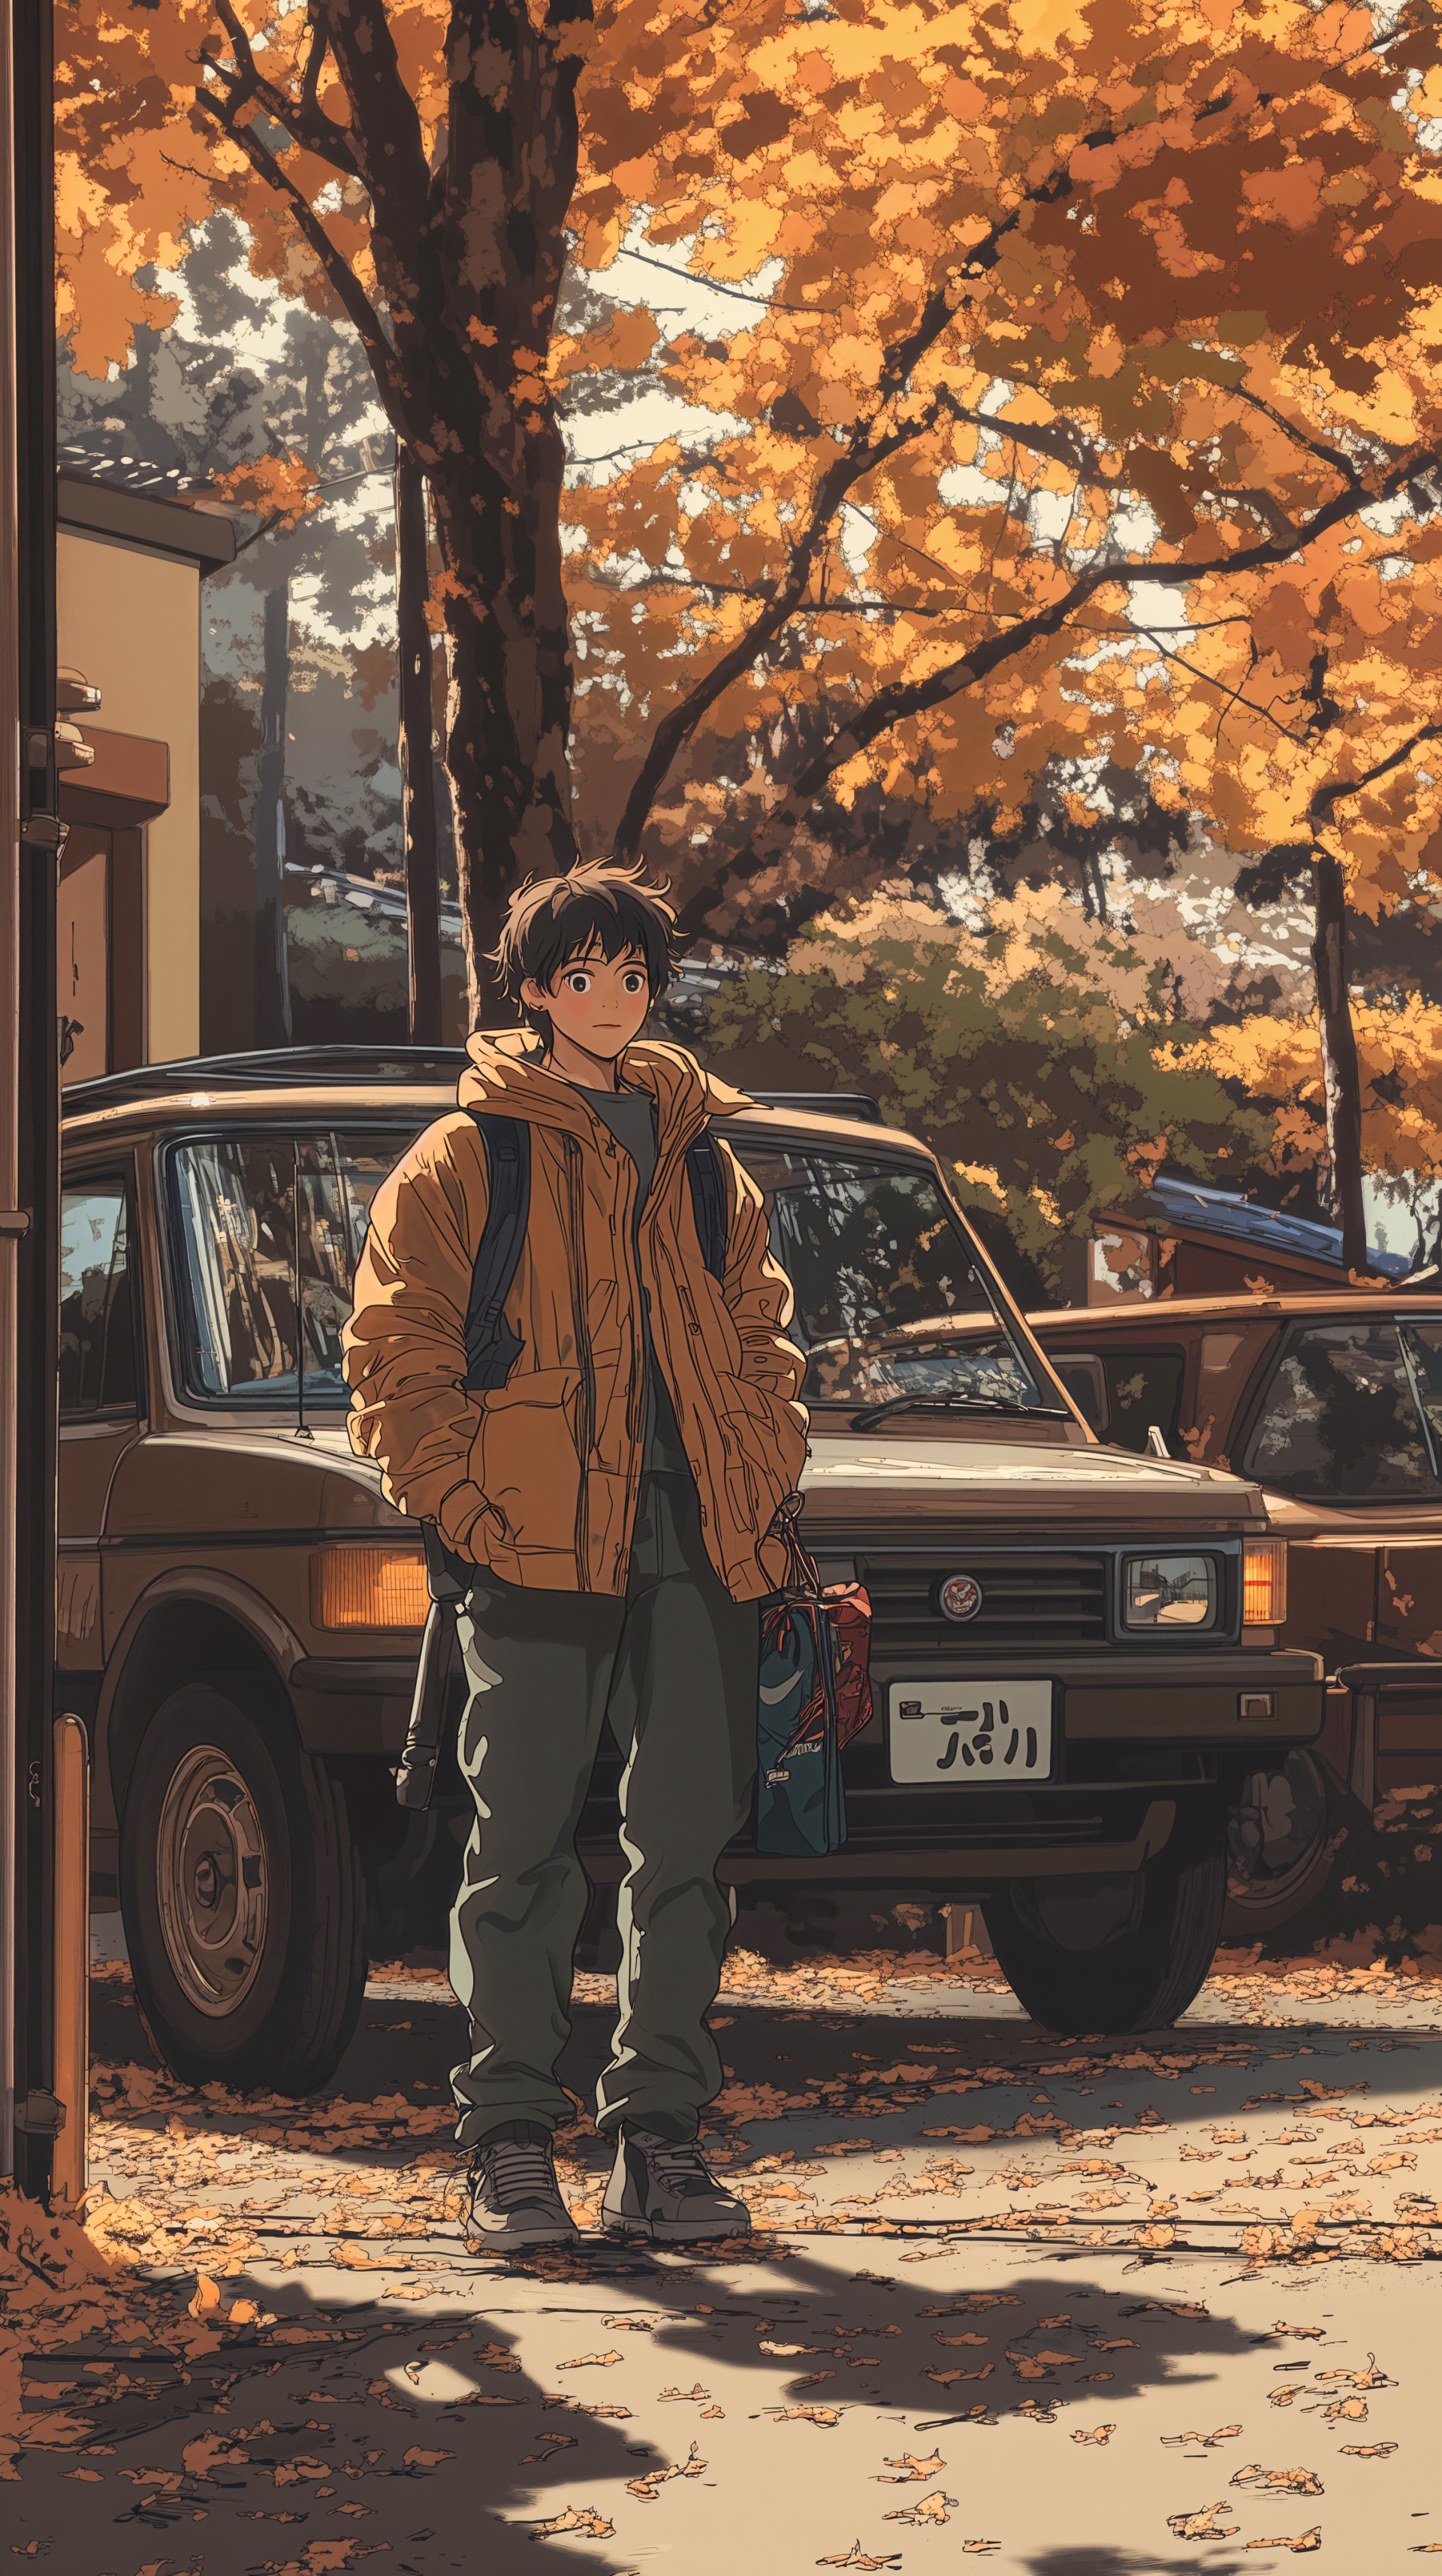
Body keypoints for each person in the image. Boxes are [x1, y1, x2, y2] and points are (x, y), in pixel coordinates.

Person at [341, 860, 810, 2247]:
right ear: (536, 991)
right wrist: (467, 1508)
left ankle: (659, 2136)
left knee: (687, 1846)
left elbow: (762, 1335)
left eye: (633, 975)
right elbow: (394, 1350)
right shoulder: (467, 1154)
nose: (613, 998)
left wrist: (766, 1471)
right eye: (583, 975)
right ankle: (506, 2143)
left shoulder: (704, 1155)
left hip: (700, 1540)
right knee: (523, 1845)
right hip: (535, 1545)